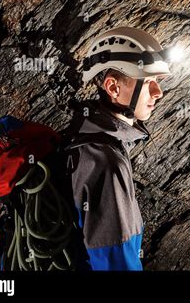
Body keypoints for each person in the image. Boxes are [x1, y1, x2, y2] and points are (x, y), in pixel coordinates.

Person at [65, 26, 172, 270]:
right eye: (148, 83)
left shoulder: (83, 135)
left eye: (157, 81)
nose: (159, 93)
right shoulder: (106, 163)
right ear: (113, 88)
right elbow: (117, 262)